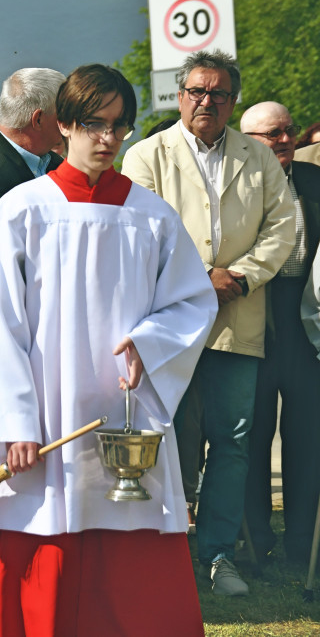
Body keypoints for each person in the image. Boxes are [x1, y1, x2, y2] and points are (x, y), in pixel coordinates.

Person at [0, 64, 217, 636]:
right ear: (63, 125)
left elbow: (194, 303)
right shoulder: (22, 209)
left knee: (127, 553)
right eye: (94, 124)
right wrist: (13, 424)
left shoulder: (152, 216)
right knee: (40, 540)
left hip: (124, 412)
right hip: (44, 415)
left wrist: (151, 341)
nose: (107, 139)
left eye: (119, 127)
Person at [122, 50, 295, 596]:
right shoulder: (147, 155)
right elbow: (139, 233)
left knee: (234, 438)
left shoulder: (258, 158)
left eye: (219, 93)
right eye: (197, 91)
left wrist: (240, 276)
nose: (207, 101)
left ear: (233, 101)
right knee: (163, 436)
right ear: (180, 96)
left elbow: (283, 225)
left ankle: (219, 555)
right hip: (170, 319)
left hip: (237, 316)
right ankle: (159, 551)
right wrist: (201, 280)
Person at [240, 102, 320, 563]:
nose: (286, 139)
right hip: (254, 319)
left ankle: (303, 543)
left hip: (304, 319)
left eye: (289, 131)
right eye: (273, 134)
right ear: (250, 140)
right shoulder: (241, 189)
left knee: (308, 436)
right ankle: (255, 543)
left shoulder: (313, 183)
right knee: (250, 436)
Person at [0, 68, 66, 312]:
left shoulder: (56, 165)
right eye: (63, 114)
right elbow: (11, 264)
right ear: (38, 119)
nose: (68, 123)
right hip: (8, 326)